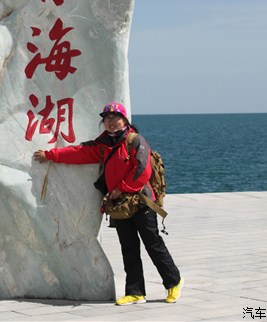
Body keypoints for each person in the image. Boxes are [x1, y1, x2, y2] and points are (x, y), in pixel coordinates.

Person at [33, 102, 183, 306]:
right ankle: (135, 292)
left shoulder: (135, 140)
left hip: (141, 202)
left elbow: (143, 170)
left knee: (153, 244)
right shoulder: (103, 145)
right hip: (120, 205)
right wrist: (50, 155)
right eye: (107, 119)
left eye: (115, 118)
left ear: (124, 120)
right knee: (128, 247)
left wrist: (121, 188)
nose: (111, 122)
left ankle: (174, 282)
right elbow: (79, 153)